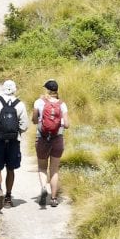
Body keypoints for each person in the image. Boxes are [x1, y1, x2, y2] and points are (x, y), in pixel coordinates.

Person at [0, 79, 28, 211]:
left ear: (3, 89)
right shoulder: (20, 105)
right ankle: (8, 198)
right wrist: (15, 132)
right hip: (14, 141)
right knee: (11, 169)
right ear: (15, 90)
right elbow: (24, 126)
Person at [33, 79, 69, 208]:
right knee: (54, 170)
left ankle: (43, 188)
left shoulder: (39, 102)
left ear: (47, 90)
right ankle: (53, 199)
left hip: (42, 138)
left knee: (42, 167)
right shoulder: (62, 104)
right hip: (57, 139)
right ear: (56, 90)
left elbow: (34, 121)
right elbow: (67, 124)